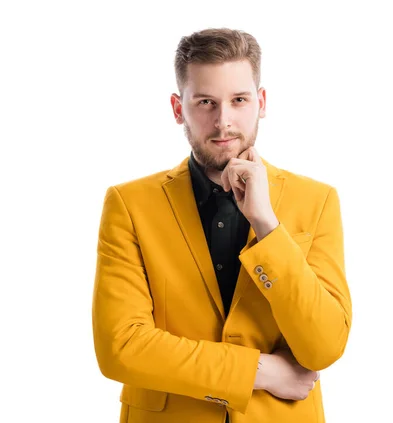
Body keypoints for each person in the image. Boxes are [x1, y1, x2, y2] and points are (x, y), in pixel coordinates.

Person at [92, 27, 352, 423]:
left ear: (260, 102)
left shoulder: (316, 201)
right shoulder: (129, 205)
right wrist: (260, 372)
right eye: (206, 102)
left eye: (239, 100)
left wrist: (266, 224)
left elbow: (324, 347)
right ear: (179, 108)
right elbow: (121, 347)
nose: (223, 122)